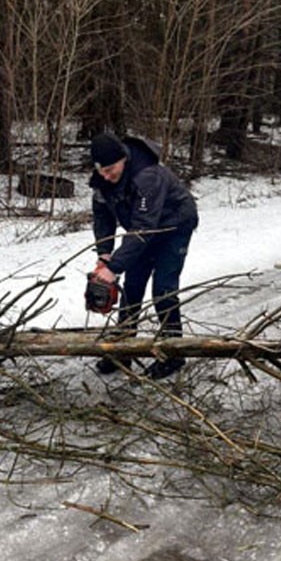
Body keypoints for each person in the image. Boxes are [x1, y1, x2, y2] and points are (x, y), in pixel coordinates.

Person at [88, 131, 199, 379]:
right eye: (101, 170)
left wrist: (113, 267)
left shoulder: (147, 176)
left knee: (163, 290)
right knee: (133, 287)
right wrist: (104, 254)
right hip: (143, 230)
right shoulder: (102, 181)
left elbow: (144, 227)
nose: (106, 175)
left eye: (110, 169)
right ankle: (123, 348)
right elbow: (102, 216)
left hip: (174, 227)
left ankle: (173, 352)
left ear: (123, 159)